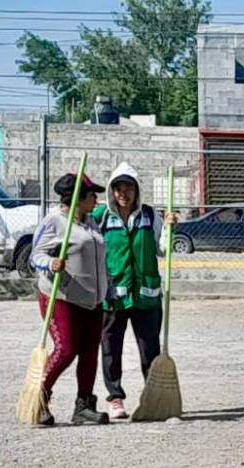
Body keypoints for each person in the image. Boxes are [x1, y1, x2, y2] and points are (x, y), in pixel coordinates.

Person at [93, 163, 177, 420]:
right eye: (118, 188)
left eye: (128, 187)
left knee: (149, 350)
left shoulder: (150, 216)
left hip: (146, 297)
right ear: (112, 191)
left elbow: (163, 249)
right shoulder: (101, 217)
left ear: (136, 190)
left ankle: (152, 396)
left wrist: (171, 230)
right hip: (113, 297)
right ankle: (115, 397)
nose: (123, 193)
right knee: (110, 348)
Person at [29, 173, 110, 426]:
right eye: (91, 195)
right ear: (77, 198)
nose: (96, 199)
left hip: (92, 299)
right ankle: (38, 398)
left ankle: (84, 405)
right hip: (62, 296)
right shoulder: (54, 222)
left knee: (89, 352)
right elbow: (35, 256)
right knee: (66, 349)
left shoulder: (90, 223)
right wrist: (50, 263)